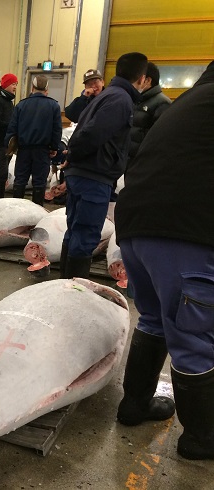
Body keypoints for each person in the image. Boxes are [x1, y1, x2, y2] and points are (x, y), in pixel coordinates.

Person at [114, 61, 214, 459]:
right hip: (184, 231)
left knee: (155, 320)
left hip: (136, 225)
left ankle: (134, 404)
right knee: (194, 339)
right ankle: (202, 439)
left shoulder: (193, 100)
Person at [60, 52, 148, 279]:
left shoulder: (109, 95)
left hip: (84, 174)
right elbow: (91, 133)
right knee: (86, 234)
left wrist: (73, 155)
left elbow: (82, 130)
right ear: (141, 78)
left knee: (75, 231)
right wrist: (75, 153)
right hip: (93, 176)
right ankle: (74, 290)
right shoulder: (120, 100)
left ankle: (63, 286)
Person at [4, 74, 62, 206]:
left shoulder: (21, 105)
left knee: (20, 181)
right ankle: (36, 215)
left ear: (32, 87)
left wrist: (10, 147)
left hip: (23, 150)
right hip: (42, 151)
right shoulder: (54, 106)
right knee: (39, 183)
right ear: (47, 89)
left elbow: (12, 129)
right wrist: (54, 148)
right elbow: (56, 130)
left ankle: (16, 212)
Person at [128, 62, 171, 160]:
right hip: (128, 160)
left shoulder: (162, 103)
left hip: (144, 161)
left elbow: (162, 139)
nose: (132, 83)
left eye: (135, 79)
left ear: (147, 80)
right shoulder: (135, 100)